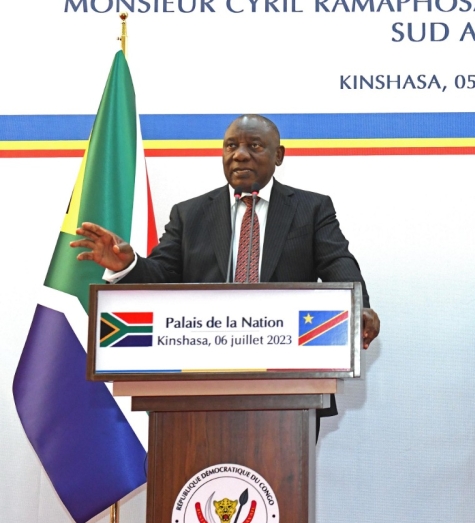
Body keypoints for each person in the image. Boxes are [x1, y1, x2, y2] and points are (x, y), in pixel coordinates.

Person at [71, 113, 380, 425]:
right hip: (198, 378)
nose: (239, 154)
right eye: (230, 146)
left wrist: (359, 308)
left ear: (279, 155)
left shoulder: (310, 209)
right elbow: (162, 274)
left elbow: (337, 261)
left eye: (254, 146)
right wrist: (129, 265)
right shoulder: (189, 214)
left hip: (286, 378)